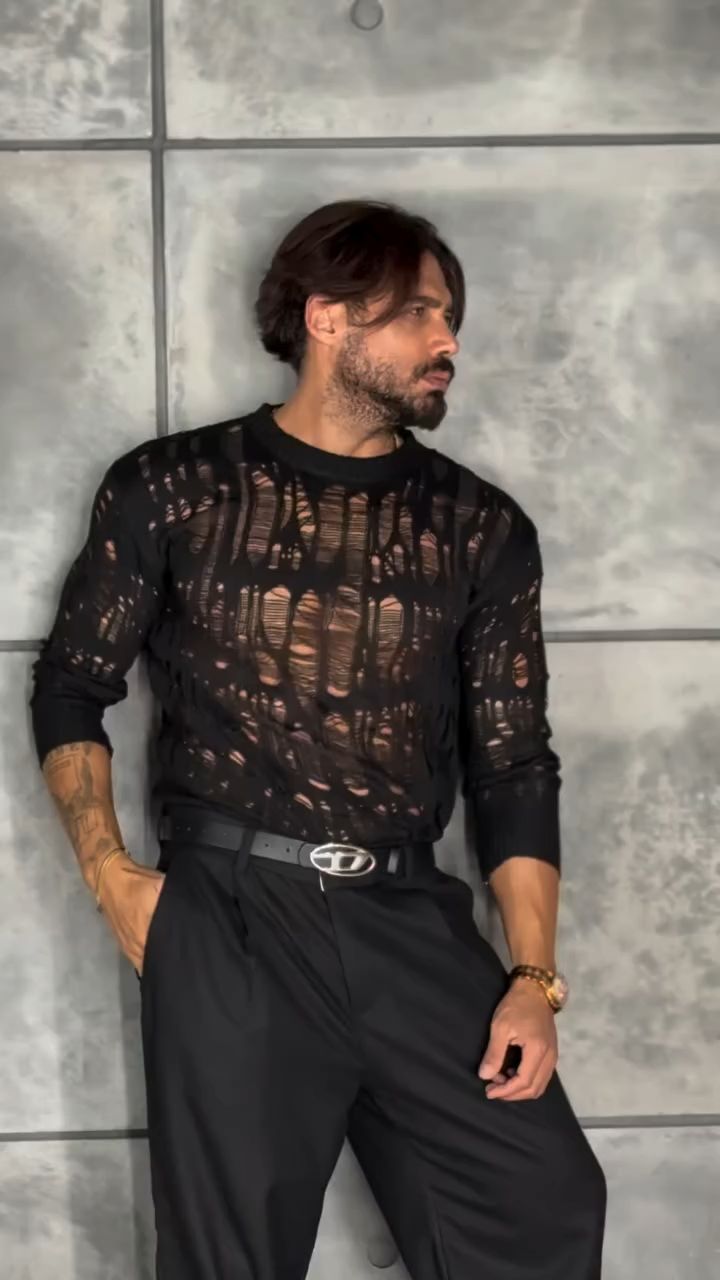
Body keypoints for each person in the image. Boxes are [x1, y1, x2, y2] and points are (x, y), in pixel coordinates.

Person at [31, 199, 606, 1280]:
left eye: (450, 316)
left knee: (542, 1202)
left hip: (411, 915)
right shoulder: (171, 486)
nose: (449, 339)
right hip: (233, 917)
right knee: (231, 1259)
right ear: (327, 316)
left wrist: (534, 974)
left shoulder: (481, 527)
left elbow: (515, 763)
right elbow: (71, 688)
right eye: (421, 313)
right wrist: (110, 874)